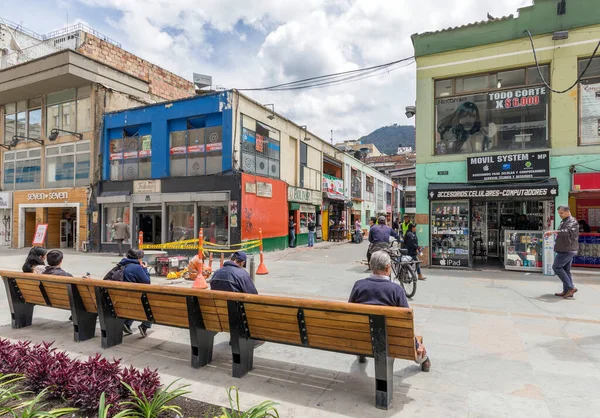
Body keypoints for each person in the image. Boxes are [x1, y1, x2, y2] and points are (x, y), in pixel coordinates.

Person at [349, 251, 430, 371]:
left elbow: (350, 311)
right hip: (391, 342)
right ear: (388, 268)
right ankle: (424, 360)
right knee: (415, 342)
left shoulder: (358, 285)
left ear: (371, 266)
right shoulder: (396, 290)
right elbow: (405, 324)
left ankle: (362, 353)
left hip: (361, 337)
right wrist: (417, 345)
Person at [544, 206, 580, 299]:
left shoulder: (572, 221)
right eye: (559, 213)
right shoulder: (564, 221)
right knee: (566, 270)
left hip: (567, 249)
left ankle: (571, 287)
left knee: (556, 267)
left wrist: (553, 231)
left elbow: (566, 231)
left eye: (561, 213)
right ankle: (567, 291)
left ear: (567, 212)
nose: (560, 215)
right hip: (565, 248)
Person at [118, 249, 152, 336]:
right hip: (133, 300)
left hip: (120, 298)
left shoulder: (121, 265)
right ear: (138, 258)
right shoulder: (137, 268)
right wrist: (145, 269)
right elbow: (147, 283)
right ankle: (145, 325)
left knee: (134, 300)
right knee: (148, 303)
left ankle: (127, 323)